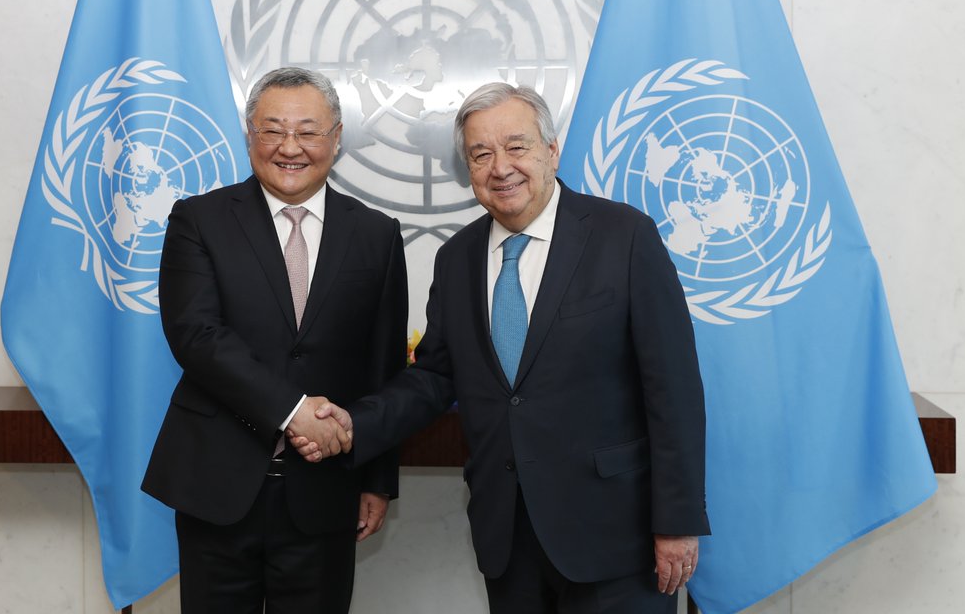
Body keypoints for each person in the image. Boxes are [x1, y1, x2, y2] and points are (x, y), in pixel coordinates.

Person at [294, 83, 708, 614]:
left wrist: (676, 523)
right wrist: (354, 425)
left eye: (516, 147)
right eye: (480, 154)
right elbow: (436, 377)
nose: (500, 167)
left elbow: (672, 389)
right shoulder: (458, 258)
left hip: (615, 535)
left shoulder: (624, 236)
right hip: (507, 534)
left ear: (551, 151)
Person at [142, 66, 408, 614]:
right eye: (273, 130)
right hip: (217, 486)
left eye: (308, 131)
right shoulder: (198, 219)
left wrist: (377, 480)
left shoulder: (376, 234)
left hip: (326, 494)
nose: (290, 147)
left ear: (335, 139)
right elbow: (196, 335)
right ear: (249, 136)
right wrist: (293, 412)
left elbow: (384, 366)